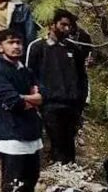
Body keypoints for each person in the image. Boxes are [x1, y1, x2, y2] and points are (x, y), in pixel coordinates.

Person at [0, 29, 44, 192]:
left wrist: (27, 99)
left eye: (18, 42)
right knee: (11, 180)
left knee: (31, 177)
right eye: (11, 42)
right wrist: (29, 99)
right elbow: (13, 102)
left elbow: (42, 96)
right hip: (12, 133)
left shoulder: (26, 70)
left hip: (32, 132)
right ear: (0, 46)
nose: (16, 46)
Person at [25, 9, 86, 164]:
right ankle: (58, 176)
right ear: (52, 25)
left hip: (72, 105)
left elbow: (82, 78)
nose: (66, 29)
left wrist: (81, 101)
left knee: (69, 144)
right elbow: (28, 76)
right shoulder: (38, 47)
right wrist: (36, 102)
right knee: (56, 142)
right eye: (63, 24)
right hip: (49, 104)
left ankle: (70, 178)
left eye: (69, 26)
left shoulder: (74, 49)